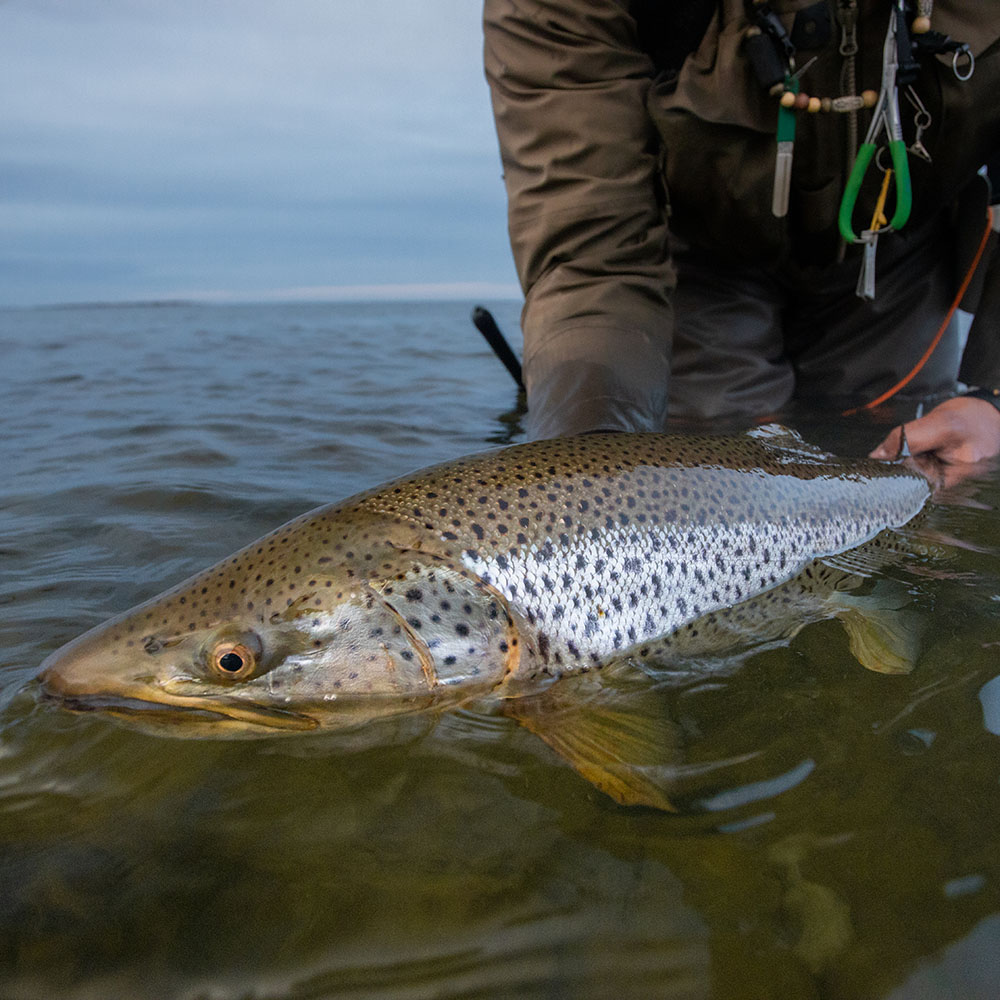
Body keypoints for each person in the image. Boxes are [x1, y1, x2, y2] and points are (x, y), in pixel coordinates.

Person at [483, 0, 1000, 465]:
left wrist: (994, 395)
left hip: (898, 248)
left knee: (913, 475)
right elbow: (590, 246)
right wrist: (590, 457)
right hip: (691, 255)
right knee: (709, 459)